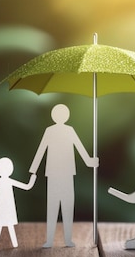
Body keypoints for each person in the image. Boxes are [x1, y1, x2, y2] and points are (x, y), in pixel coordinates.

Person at [29, 104, 99, 247]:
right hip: (57, 173)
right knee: (57, 206)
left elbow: (78, 147)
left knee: (63, 206)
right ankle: (53, 240)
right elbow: (42, 149)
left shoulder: (66, 131)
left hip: (63, 174)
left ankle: (64, 239)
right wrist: (89, 162)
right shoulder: (56, 131)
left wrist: (90, 161)